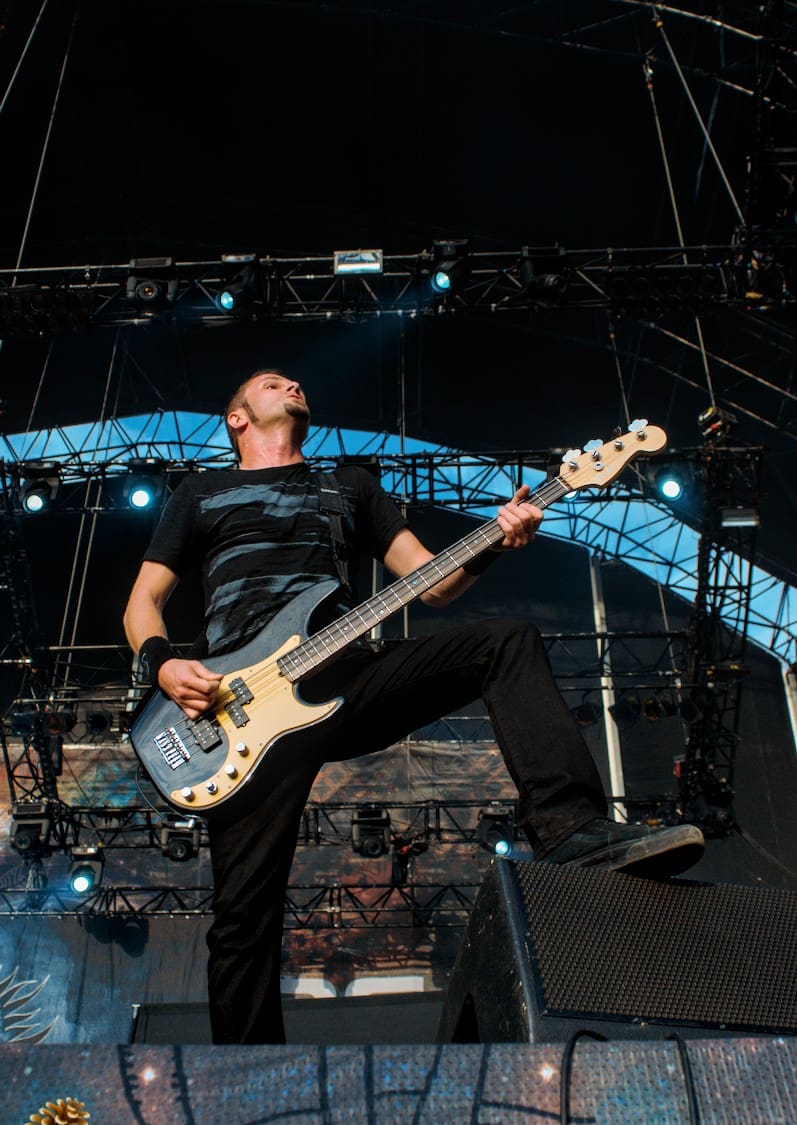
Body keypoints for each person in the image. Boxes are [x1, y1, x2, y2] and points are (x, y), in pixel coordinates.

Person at [123, 368, 704, 1044]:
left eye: (295, 381)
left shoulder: (349, 486)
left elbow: (433, 584)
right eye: (272, 382)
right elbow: (142, 602)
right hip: (236, 714)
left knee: (504, 641)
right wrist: (162, 664)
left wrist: (498, 538)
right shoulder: (200, 492)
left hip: (343, 678)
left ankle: (571, 831)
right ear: (237, 417)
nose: (293, 384)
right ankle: (245, 1088)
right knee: (240, 924)